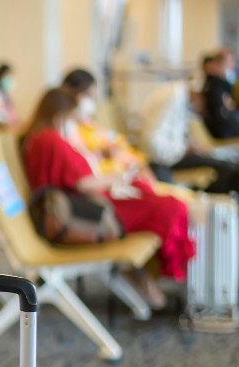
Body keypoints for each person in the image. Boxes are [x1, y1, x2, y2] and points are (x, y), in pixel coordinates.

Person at [24, 88, 194, 306]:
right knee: (167, 206)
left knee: (151, 195)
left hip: (87, 203)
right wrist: (117, 178)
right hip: (87, 208)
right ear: (61, 115)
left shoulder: (41, 138)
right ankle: (155, 281)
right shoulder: (51, 140)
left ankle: (148, 281)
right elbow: (81, 183)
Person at [140, 80, 239, 240]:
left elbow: (167, 134)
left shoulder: (179, 97)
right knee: (237, 174)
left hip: (175, 154)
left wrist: (188, 145)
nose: (200, 111)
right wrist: (184, 148)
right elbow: (151, 142)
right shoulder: (173, 96)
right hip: (168, 159)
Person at [201, 50, 239, 139]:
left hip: (219, 128)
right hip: (224, 130)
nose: (232, 66)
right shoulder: (217, 84)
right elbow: (229, 105)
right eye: (230, 62)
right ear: (220, 64)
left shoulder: (211, 82)